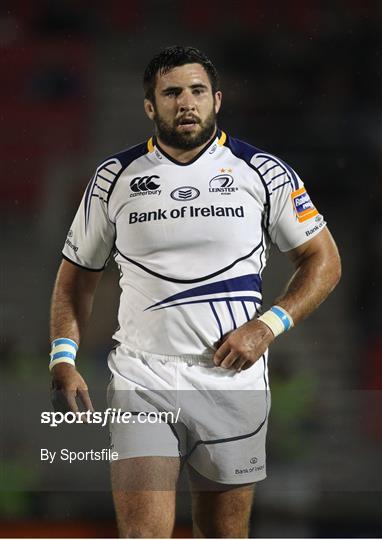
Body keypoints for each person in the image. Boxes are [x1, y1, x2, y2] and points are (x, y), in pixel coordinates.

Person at [49, 46, 341, 538]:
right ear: (150, 106)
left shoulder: (263, 172)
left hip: (231, 378)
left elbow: (324, 261)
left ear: (217, 100)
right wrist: (63, 356)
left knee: (222, 535)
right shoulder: (113, 178)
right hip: (143, 375)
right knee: (143, 534)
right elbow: (76, 275)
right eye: (172, 92)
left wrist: (267, 326)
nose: (186, 102)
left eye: (197, 91)